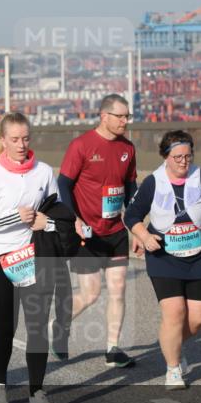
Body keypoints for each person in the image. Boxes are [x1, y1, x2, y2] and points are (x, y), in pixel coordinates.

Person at [0, 112, 60, 403]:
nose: (21, 144)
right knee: (5, 326)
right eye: (15, 139)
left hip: (31, 258)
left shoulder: (43, 172)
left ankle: (37, 394)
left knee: (37, 326)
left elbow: (58, 212)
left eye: (26, 138)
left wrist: (48, 223)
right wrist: (13, 217)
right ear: (2, 140)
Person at [124, 130, 201, 390]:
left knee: (198, 319)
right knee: (174, 312)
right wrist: (144, 236)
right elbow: (132, 215)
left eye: (188, 156)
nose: (184, 162)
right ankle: (173, 368)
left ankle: (174, 346)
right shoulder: (153, 182)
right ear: (165, 157)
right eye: (178, 157)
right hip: (163, 256)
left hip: (198, 255)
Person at [55, 94, 140, 367]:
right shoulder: (81, 145)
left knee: (118, 289)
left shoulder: (128, 148)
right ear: (104, 116)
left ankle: (112, 349)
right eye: (120, 116)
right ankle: (60, 325)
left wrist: (137, 227)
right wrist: (74, 220)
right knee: (91, 294)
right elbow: (63, 185)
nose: (125, 121)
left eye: (127, 116)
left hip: (115, 230)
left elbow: (131, 188)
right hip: (87, 232)